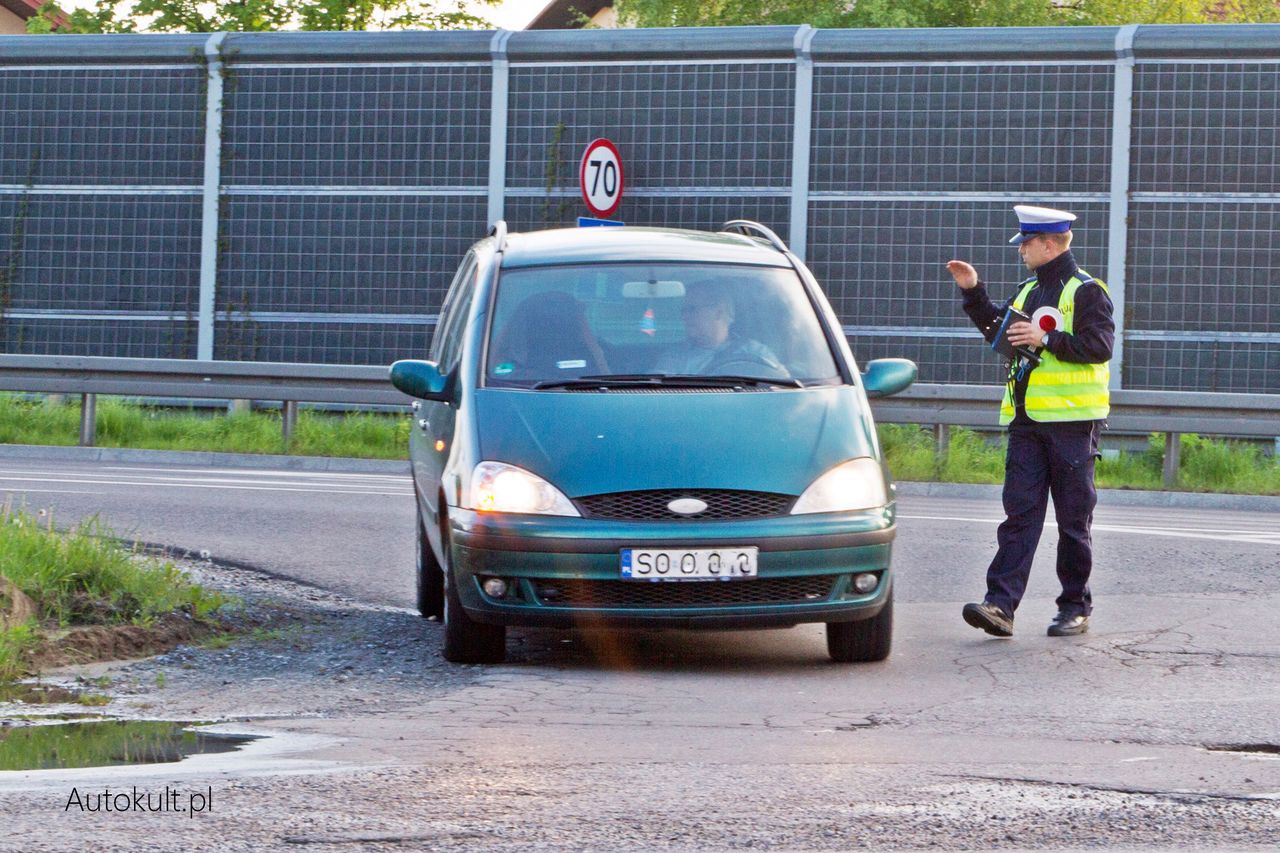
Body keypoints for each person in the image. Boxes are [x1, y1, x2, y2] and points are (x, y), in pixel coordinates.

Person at [945, 205, 1115, 638]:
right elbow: (999, 333)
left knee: (1074, 521)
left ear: (1049, 244)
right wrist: (973, 292)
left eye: (1026, 243)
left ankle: (1074, 607)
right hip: (1026, 424)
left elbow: (1100, 346)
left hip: (1073, 426)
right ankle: (999, 605)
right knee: (1019, 515)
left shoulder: (1086, 291)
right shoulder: (1026, 291)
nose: (1021, 250)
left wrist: (1047, 339)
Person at [652, 281, 787, 377]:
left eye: (692, 309)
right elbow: (655, 391)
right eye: (683, 311)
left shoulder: (756, 353)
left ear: (719, 312)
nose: (684, 317)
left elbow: (782, 384)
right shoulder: (677, 356)